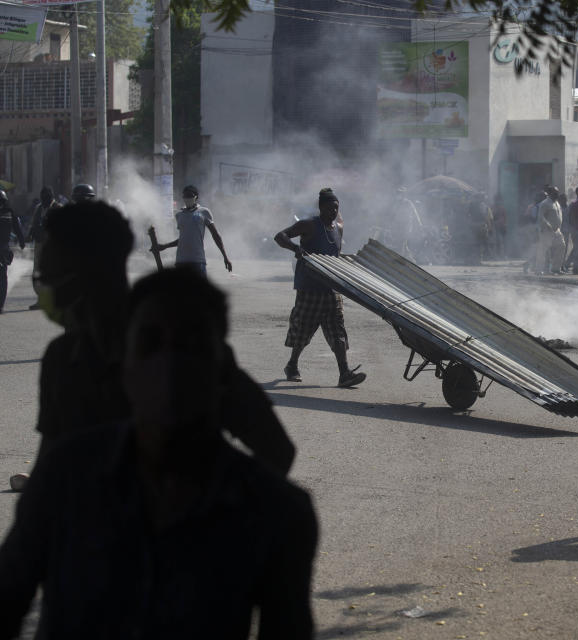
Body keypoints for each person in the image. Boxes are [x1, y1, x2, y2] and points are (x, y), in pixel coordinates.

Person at [0, 268, 318, 638]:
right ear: (124, 367)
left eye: (192, 344)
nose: (170, 364)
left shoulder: (278, 512)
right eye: (151, 343)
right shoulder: (64, 479)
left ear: (223, 369)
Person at [10, 202, 295, 490]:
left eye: (48, 278)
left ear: (87, 274)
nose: (44, 289)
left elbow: (277, 451)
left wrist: (209, 519)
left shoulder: (186, 350)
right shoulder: (63, 357)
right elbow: (50, 462)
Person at [275, 187, 366, 387]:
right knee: (302, 330)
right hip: (309, 287)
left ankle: (344, 373)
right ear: (321, 208)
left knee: (338, 332)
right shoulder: (308, 225)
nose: (334, 212)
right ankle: (292, 365)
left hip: (331, 288)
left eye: (337, 208)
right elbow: (280, 236)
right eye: (330, 208)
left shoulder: (338, 228)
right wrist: (295, 248)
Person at [157, 185, 232, 276]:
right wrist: (165, 246)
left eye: (190, 195)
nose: (187, 198)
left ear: (196, 197)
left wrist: (225, 256)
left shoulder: (204, 212)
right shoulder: (179, 215)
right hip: (181, 261)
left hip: (198, 261)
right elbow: (183, 238)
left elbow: (215, 235)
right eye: (185, 196)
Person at [26, 186, 61, 310]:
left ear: (51, 196)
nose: (44, 198)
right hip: (40, 244)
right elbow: (33, 223)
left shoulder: (57, 208)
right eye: (42, 196)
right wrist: (29, 235)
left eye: (46, 196)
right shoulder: (39, 208)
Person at [0, 191, 25, 314]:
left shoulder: (10, 213)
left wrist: (22, 240)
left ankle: (0, 305)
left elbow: (18, 228)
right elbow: (18, 228)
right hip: (4, 250)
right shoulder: (10, 212)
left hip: (3, 250)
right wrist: (21, 241)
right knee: (2, 278)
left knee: (2, 278)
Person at [534, 186, 565, 275]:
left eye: (557, 193)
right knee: (543, 250)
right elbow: (541, 217)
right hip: (547, 231)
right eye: (555, 193)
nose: (557, 194)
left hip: (557, 231)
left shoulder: (557, 203)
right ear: (550, 193)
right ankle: (538, 270)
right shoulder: (545, 203)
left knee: (561, 246)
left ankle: (556, 268)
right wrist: (547, 225)